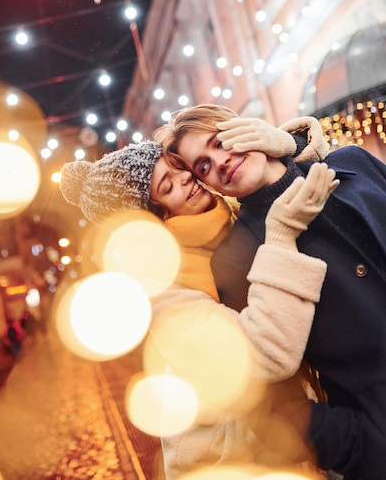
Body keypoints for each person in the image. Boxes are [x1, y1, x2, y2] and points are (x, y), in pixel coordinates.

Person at [59, 116, 339, 477]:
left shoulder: (228, 218)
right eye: (167, 184)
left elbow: (307, 185)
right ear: (151, 219)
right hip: (237, 462)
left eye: (179, 169)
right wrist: (281, 237)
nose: (187, 179)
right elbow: (262, 354)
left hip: (295, 441)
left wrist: (287, 145)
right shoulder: (162, 290)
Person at [157, 103, 386, 479]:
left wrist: (291, 143)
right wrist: (369, 447)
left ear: (248, 127)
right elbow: (272, 408)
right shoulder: (237, 258)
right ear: (209, 185)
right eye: (203, 166)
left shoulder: (354, 163)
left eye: (222, 140)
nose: (219, 161)